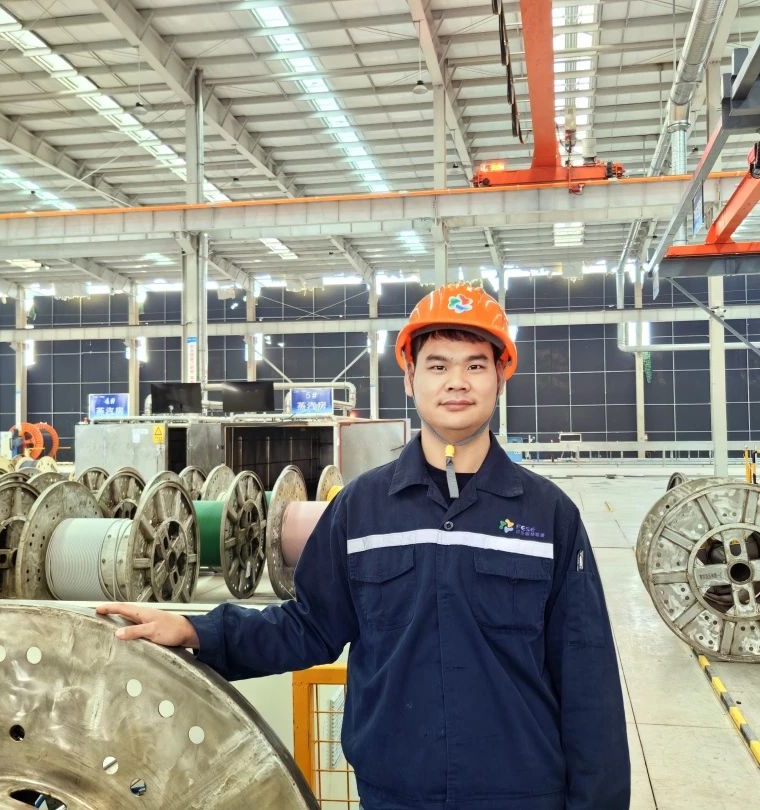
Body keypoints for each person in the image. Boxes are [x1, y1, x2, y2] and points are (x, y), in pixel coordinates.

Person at [98, 282, 630, 810]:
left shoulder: (548, 516)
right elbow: (310, 625)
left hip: (524, 794)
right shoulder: (362, 509)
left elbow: (588, 679)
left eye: (475, 365)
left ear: (501, 376)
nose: (457, 382)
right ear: (410, 378)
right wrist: (198, 630)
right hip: (395, 796)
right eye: (438, 365)